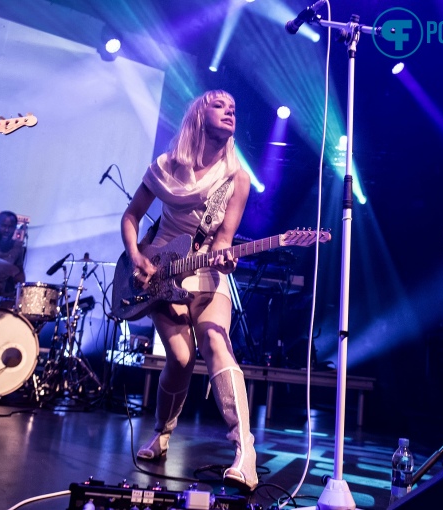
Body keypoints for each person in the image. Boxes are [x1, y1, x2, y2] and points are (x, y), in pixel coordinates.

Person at [120, 90, 256, 491]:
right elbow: (131, 216)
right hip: (160, 272)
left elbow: (223, 240)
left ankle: (244, 451)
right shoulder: (164, 166)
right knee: (179, 358)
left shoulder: (237, 178)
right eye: (220, 104)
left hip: (204, 273)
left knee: (216, 341)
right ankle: (162, 433)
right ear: (199, 115)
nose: (231, 109)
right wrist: (137, 257)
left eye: (234, 105)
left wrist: (225, 257)